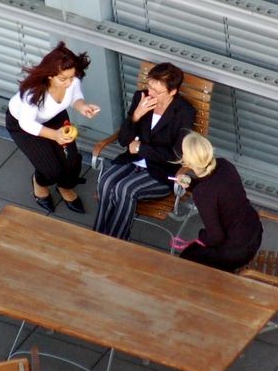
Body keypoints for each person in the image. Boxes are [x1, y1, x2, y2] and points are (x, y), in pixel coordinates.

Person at [93, 62, 195, 240]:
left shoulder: (184, 112)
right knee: (106, 182)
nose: (150, 93)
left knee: (124, 189)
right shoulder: (141, 97)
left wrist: (142, 148)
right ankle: (97, 238)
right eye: (149, 87)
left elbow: (176, 156)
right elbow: (124, 140)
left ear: (172, 92)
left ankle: (115, 243)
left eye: (157, 91)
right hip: (131, 160)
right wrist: (136, 115)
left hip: (161, 172)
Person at [6, 41, 100, 213]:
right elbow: (26, 123)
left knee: (71, 161)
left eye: (72, 77)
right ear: (50, 75)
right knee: (51, 169)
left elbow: (75, 95)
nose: (69, 82)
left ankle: (65, 187)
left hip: (54, 117)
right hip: (24, 125)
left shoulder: (72, 79)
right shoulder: (33, 93)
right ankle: (39, 182)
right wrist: (54, 135)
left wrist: (81, 106)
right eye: (63, 79)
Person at [175, 131, 262, 271]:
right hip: (254, 233)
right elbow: (216, 188)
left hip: (238, 252)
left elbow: (216, 237)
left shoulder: (202, 193)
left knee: (187, 258)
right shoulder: (224, 165)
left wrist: (200, 238)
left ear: (188, 161)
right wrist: (192, 184)